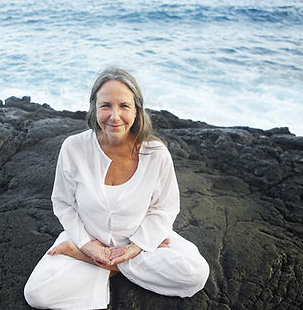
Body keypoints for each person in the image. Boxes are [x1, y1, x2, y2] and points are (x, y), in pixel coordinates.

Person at [24, 67, 209, 309]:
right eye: (105, 106)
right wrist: (87, 245)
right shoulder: (74, 147)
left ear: (136, 110)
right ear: (94, 108)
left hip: (139, 241)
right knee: (37, 294)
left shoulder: (156, 153)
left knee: (195, 274)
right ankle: (104, 262)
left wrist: (137, 246)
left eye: (124, 106)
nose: (114, 116)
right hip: (87, 236)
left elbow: (164, 208)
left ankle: (103, 266)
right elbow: (63, 203)